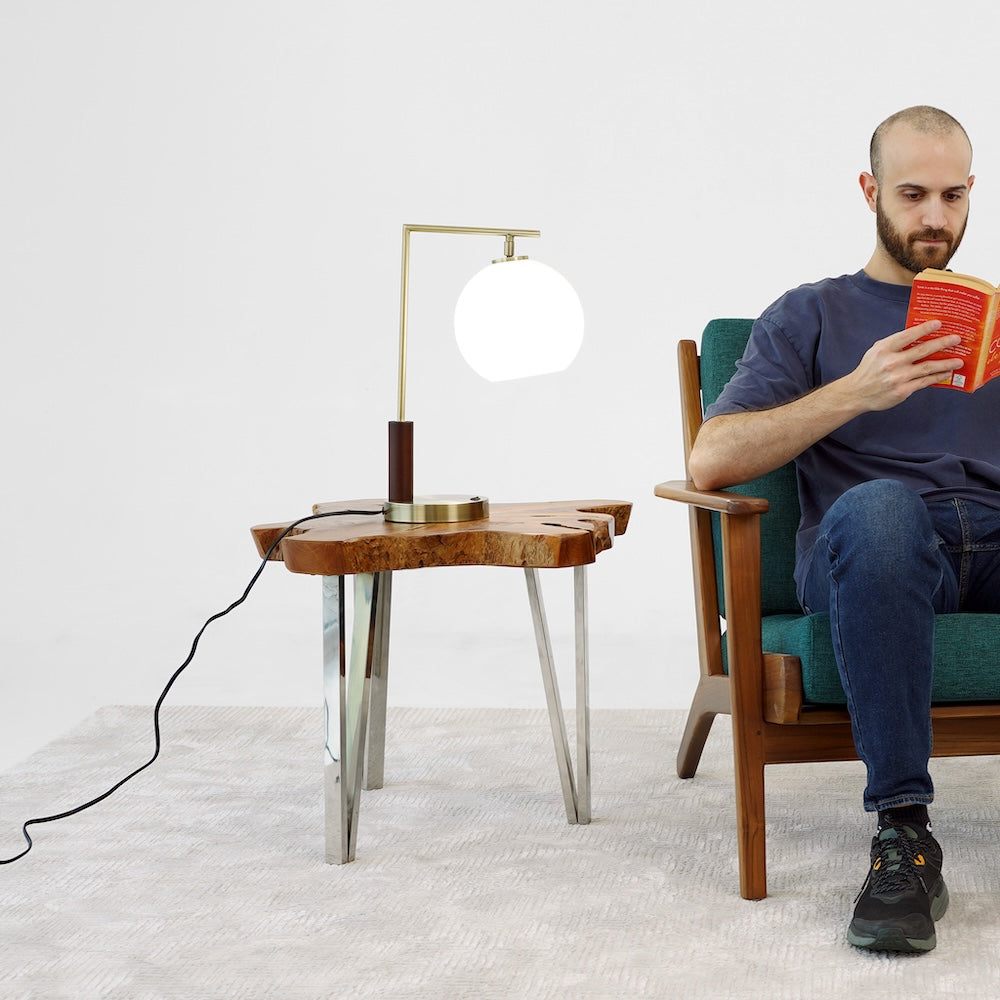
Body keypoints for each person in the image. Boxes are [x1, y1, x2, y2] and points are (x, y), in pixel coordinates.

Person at [687, 105, 1000, 954]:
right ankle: (904, 833)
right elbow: (712, 457)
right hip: (880, 552)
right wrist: (855, 393)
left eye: (952, 196)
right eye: (911, 194)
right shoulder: (810, 315)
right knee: (881, 503)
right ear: (870, 191)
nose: (933, 217)